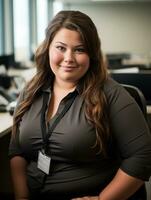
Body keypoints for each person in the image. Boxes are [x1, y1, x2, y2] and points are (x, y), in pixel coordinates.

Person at [9, 10, 151, 200]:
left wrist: (103, 199)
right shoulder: (31, 90)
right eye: (61, 47)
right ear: (48, 48)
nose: (69, 58)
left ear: (91, 54)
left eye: (79, 49)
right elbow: (17, 150)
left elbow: (143, 156)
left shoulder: (111, 94)